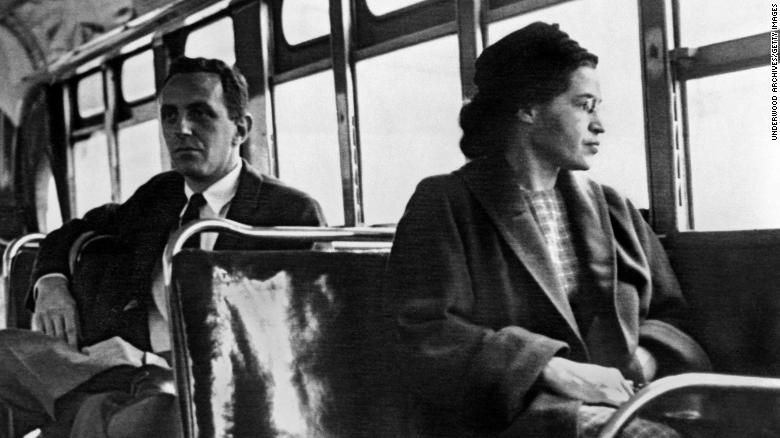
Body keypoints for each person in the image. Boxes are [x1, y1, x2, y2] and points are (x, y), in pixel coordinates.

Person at [386, 22, 711, 438]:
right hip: (512, 413)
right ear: (527, 109)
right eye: (584, 106)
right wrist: (552, 370)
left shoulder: (613, 207)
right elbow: (424, 334)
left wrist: (642, 360)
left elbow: (671, 314)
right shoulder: (446, 203)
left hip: (624, 396)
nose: (599, 125)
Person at [0, 56, 326, 437]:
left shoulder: (289, 211)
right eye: (170, 116)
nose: (181, 128)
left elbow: (300, 338)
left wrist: (169, 363)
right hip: (122, 363)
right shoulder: (160, 195)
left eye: (200, 113)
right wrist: (51, 283)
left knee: (115, 418)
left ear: (240, 128)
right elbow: (74, 231)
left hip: (213, 380)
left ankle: (89, 408)